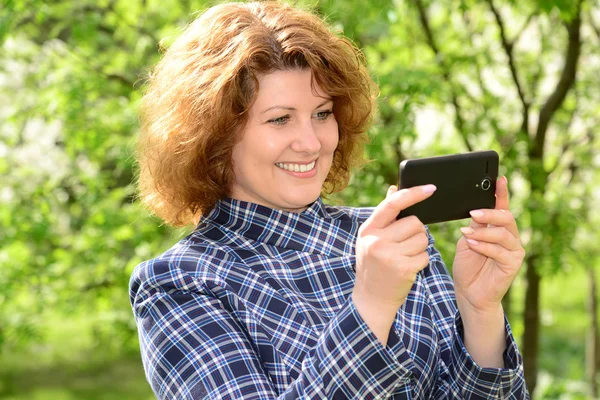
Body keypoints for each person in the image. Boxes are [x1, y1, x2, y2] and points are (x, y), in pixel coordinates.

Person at [129, 1, 530, 399]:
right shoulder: (178, 283)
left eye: (322, 114)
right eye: (280, 119)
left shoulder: (393, 238)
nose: (310, 143)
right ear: (214, 136)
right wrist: (371, 305)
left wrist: (479, 312)